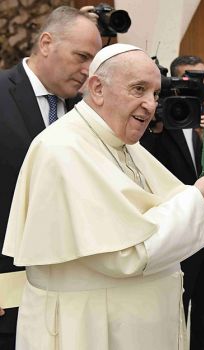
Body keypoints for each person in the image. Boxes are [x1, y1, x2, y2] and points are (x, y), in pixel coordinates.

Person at [2, 43, 204, 350]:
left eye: (156, 94)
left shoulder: (124, 144)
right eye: (138, 89)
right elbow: (125, 254)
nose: (151, 104)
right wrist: (200, 198)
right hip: (90, 331)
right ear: (97, 88)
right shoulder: (62, 150)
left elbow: (165, 208)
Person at [0, 6, 102, 349]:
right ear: (46, 43)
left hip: (69, 299)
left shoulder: (84, 114)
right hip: (7, 298)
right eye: (81, 56)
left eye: (94, 60)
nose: (88, 71)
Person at [140, 54, 204, 349]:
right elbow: (140, 164)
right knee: (176, 305)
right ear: (174, 82)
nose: (200, 86)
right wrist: (156, 126)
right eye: (192, 79)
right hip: (176, 229)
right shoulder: (157, 117)